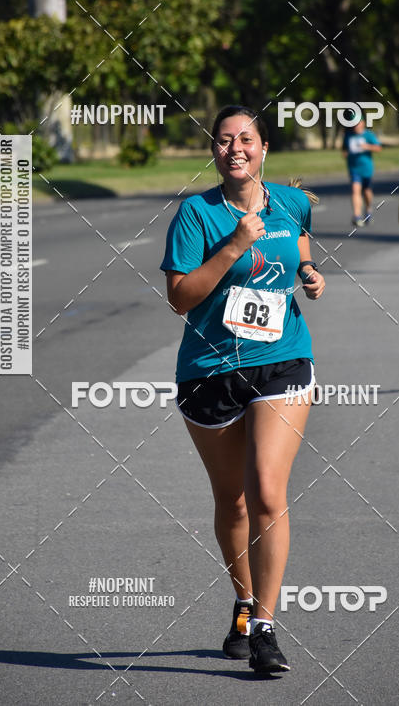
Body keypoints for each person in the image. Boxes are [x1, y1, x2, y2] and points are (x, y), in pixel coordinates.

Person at [160, 105, 325, 674]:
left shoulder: (292, 200)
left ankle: (264, 626)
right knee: (231, 499)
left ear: (263, 149)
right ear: (214, 150)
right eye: (225, 139)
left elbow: (299, 239)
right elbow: (181, 297)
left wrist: (307, 273)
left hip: (281, 361)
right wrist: (232, 245)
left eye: (246, 139)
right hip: (209, 371)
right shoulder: (195, 214)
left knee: (267, 494)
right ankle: (243, 598)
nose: (236, 148)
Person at [342, 114, 382, 226]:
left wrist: (367, 147)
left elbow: (378, 148)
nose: (356, 126)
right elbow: (345, 148)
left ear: (363, 123)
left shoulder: (368, 135)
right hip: (354, 168)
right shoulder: (348, 136)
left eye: (357, 123)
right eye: (353, 124)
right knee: (355, 190)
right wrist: (345, 154)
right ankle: (357, 215)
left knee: (367, 192)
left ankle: (368, 209)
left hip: (367, 168)